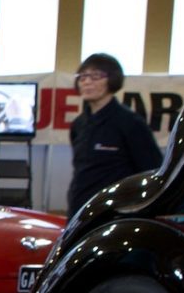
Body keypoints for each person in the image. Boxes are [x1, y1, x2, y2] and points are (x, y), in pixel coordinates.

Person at [67, 53, 162, 216]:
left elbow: (153, 172)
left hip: (115, 214)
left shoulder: (131, 123)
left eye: (96, 76)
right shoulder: (78, 124)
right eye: (83, 77)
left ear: (112, 80)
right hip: (80, 211)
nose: (87, 81)